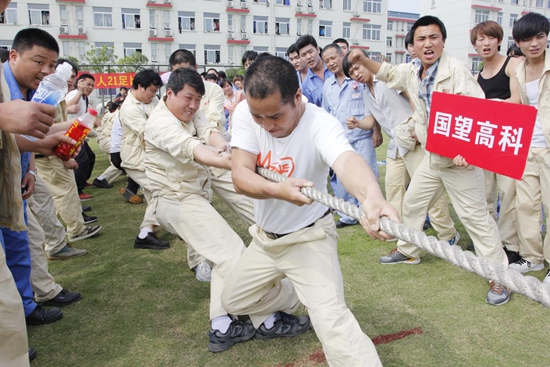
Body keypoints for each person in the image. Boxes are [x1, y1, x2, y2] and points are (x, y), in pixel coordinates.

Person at [223, 55, 398, 366]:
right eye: (259, 118)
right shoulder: (246, 116)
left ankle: (315, 295)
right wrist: (279, 189)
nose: (267, 126)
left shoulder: (320, 123)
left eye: (275, 116)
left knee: (333, 323)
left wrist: (371, 197)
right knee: (233, 299)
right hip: (265, 240)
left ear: (298, 97)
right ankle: (296, 292)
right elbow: (240, 175)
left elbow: (345, 160)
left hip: (308, 238)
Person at [348, 15, 511, 306]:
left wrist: (468, 152)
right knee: (412, 202)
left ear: (442, 41)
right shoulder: (413, 71)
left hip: (461, 161)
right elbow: (387, 72)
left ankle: (501, 276)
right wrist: (364, 59)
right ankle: (408, 249)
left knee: (475, 218)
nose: (427, 44)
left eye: (433, 37)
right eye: (421, 39)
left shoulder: (456, 70)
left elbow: (477, 113)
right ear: (414, 44)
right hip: (434, 156)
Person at [144, 67, 252, 352]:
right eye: (188, 99)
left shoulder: (191, 112)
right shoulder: (159, 123)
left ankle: (222, 323)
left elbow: (208, 132)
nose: (193, 106)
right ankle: (263, 317)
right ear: (170, 94)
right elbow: (195, 148)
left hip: (195, 192)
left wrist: (225, 149)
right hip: (176, 200)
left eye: (197, 100)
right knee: (231, 252)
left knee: (222, 253)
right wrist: (234, 162)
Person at [342, 50, 459, 246]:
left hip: (415, 141)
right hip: (396, 145)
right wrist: (358, 123)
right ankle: (397, 231)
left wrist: (418, 124)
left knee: (428, 193)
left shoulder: (387, 79)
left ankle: (448, 234)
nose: (356, 73)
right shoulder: (365, 91)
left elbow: (414, 96)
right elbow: (372, 120)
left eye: (357, 67)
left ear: (366, 62)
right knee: (393, 189)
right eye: (352, 72)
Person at [164, 49, 255, 281]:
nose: (193, 104)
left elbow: (210, 124)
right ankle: (199, 260)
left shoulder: (212, 90)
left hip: (215, 153)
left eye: (187, 70)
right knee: (199, 213)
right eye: (177, 72)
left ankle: (266, 236)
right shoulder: (167, 101)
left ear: (196, 69)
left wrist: (219, 149)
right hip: (190, 162)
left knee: (242, 195)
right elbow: (182, 141)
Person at [470, 20, 522, 263]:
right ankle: (488, 241)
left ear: (499, 40)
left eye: (489, 38)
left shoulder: (512, 64)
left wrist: (491, 105)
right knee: (485, 194)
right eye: (480, 39)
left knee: (508, 194)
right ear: (475, 45)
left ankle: (510, 245)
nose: (485, 43)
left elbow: (518, 100)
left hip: (509, 140)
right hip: (485, 140)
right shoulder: (477, 76)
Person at [35, 59, 101, 244]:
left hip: (53, 150)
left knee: (55, 192)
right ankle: (75, 229)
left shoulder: (56, 92)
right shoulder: (49, 92)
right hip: (49, 151)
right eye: (69, 76)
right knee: (65, 191)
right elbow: (47, 128)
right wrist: (80, 125)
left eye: (73, 76)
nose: (70, 80)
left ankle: (60, 230)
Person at [508, 12, 550, 280]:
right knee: (526, 206)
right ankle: (532, 257)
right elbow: (517, 104)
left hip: (548, 147)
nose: (534, 43)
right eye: (527, 39)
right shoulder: (518, 69)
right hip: (526, 147)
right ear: (518, 43)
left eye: (540, 36)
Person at [321, 44, 379, 228]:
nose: (331, 63)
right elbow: (326, 112)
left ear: (342, 55)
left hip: (362, 136)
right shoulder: (327, 85)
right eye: (327, 60)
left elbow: (373, 107)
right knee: (343, 178)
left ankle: (370, 214)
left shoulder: (357, 77)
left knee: (367, 176)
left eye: (333, 58)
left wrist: (377, 131)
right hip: (340, 140)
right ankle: (347, 215)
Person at [119, 69, 169, 250]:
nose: (154, 95)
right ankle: (146, 232)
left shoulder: (151, 100)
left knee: (155, 194)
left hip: (150, 158)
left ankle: (146, 232)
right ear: (140, 87)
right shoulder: (129, 108)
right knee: (160, 190)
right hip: (136, 160)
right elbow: (148, 131)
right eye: (152, 91)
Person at [66, 73, 97, 200]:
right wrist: (79, 92)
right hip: (71, 133)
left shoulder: (85, 98)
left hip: (79, 133)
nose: (90, 88)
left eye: (92, 86)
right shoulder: (74, 94)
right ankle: (78, 190)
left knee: (90, 157)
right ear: (80, 82)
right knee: (82, 161)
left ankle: (82, 181)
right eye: (88, 84)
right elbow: (66, 108)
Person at [295, 35, 333, 107]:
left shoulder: (334, 68)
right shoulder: (306, 85)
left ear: (318, 50)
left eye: (310, 52)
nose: (308, 57)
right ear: (300, 58)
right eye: (303, 55)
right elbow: (313, 110)